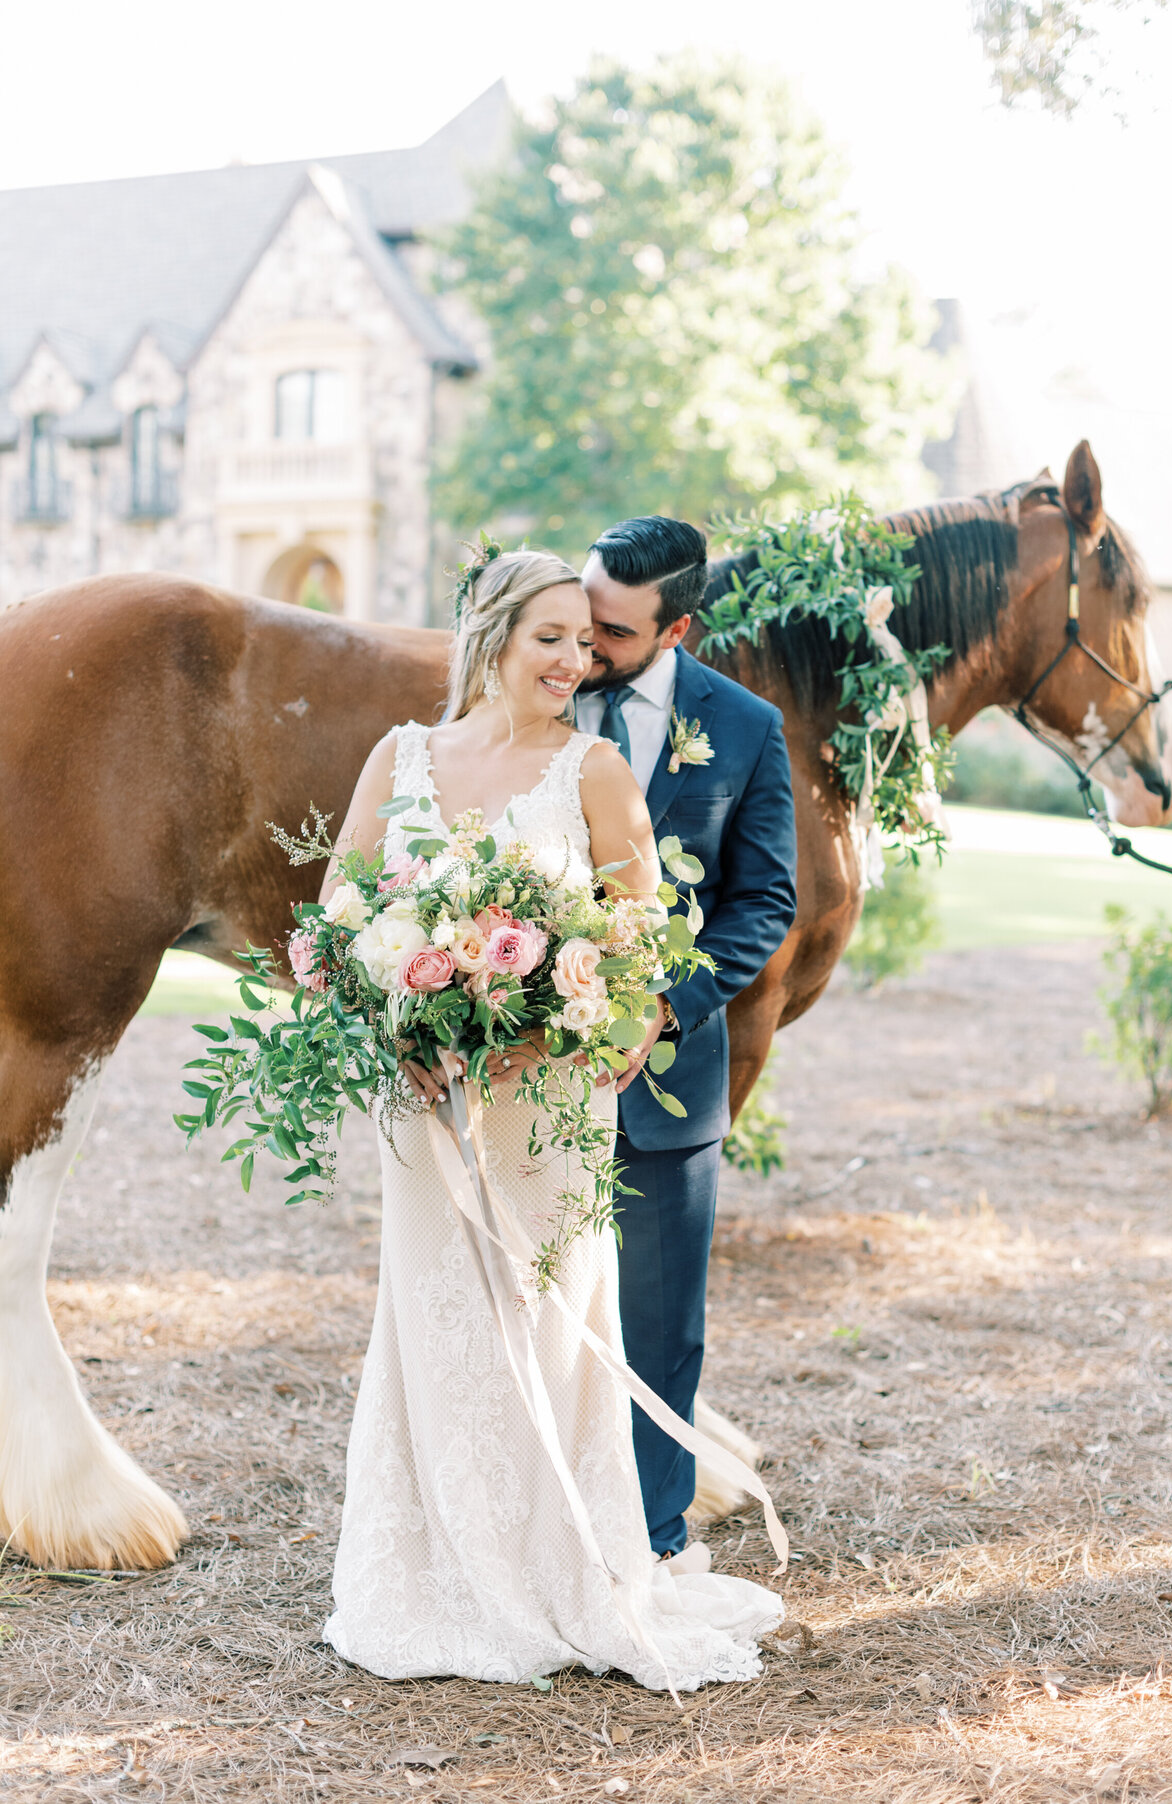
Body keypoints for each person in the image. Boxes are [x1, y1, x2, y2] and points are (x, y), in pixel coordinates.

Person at [319, 548, 783, 1691]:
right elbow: (337, 913)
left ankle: (559, 1570)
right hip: (427, 1110)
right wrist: (395, 1021)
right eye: (554, 640)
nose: (577, 662)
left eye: (588, 643)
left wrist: (566, 1020)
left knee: (547, 1325)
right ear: (490, 637)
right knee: (435, 1326)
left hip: (548, 1109)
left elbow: (644, 948)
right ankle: (437, 1576)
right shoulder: (399, 757)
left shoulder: (593, 775)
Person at [575, 518, 798, 1564]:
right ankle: (547, 1532)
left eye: (611, 630)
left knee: (662, 1332)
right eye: (581, 614)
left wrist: (671, 1000)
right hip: (530, 1077)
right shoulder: (537, 696)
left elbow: (765, 901)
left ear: (678, 627)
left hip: (668, 1084)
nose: (585, 644)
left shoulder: (745, 728)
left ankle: (652, 1539)